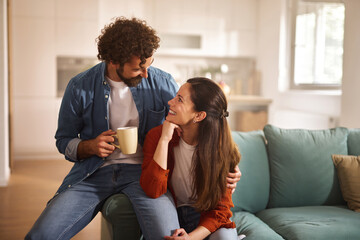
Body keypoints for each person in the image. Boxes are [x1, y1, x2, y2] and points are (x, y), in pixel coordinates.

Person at [25, 17, 241, 240]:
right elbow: (63, 140)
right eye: (138, 68)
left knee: (166, 236)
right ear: (114, 61)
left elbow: (193, 121)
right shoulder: (80, 86)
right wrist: (89, 146)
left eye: (149, 65)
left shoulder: (162, 82)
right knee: (39, 235)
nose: (146, 74)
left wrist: (227, 166)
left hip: (143, 174)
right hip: (93, 173)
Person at [140, 77, 241, 240]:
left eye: (179, 99)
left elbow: (220, 211)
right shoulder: (157, 136)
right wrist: (164, 139)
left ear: (199, 116)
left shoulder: (222, 150)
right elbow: (153, 190)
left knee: (225, 238)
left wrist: (191, 238)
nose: (170, 102)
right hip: (173, 215)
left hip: (206, 221)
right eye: (175, 96)